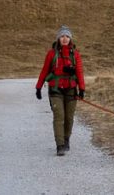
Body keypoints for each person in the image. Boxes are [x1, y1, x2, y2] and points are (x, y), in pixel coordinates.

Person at [35, 25, 86, 156]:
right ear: (58, 38)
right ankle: (60, 145)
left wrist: (82, 89)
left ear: (70, 39)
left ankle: (66, 139)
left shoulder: (75, 54)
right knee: (59, 117)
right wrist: (38, 87)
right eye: (62, 36)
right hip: (55, 89)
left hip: (71, 90)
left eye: (67, 36)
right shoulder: (51, 54)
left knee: (69, 118)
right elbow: (44, 70)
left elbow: (79, 72)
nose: (65, 39)